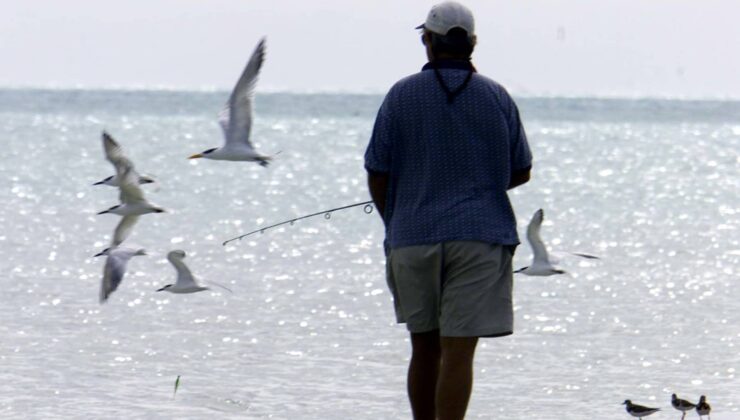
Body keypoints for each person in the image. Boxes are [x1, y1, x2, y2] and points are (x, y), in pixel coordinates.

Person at [363, 2, 532, 419]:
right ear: (472, 43)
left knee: (424, 348)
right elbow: (521, 170)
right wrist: (478, 181)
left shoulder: (401, 94)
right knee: (458, 353)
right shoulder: (496, 96)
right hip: (480, 238)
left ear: (428, 43)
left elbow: (377, 169)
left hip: (411, 238)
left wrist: (395, 220)